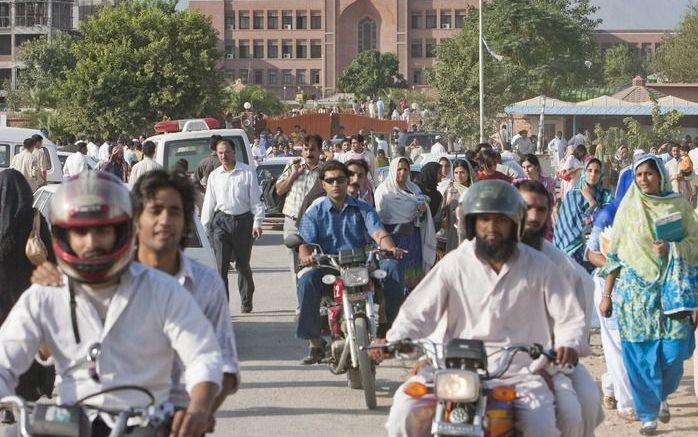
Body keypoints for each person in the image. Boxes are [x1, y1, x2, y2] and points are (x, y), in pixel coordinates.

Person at [0, 171, 223, 437]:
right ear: (63, 236)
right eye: (80, 231)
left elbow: (203, 355)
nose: (91, 242)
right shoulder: (45, 295)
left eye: (102, 230)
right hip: (71, 421)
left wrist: (198, 408)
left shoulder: (161, 290)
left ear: (122, 231)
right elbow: (5, 356)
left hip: (146, 420)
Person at [372, 180, 586, 437]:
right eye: (484, 220)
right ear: (472, 224)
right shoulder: (455, 264)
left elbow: (568, 315)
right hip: (452, 368)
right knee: (404, 410)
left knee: (541, 424)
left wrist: (568, 344)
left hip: (518, 372)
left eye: (501, 220)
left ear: (515, 224)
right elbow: (418, 313)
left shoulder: (540, 266)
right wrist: (395, 340)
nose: (492, 228)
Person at [599, 155, 698, 435]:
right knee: (640, 356)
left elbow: (696, 244)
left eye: (649, 174)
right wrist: (606, 294)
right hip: (635, 295)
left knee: (675, 353)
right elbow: (615, 255)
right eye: (639, 174)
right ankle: (648, 416)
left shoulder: (678, 206)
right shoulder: (629, 208)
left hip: (673, 293)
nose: (644, 179)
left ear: (661, 176)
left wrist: (672, 249)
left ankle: (661, 394)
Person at [517, 180, 604, 436]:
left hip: (546, 361)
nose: (533, 217)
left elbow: (578, 302)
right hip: (490, 359)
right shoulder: (487, 250)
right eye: (526, 208)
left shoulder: (559, 263)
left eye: (540, 210)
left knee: (581, 405)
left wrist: (568, 345)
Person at [295, 160, 404, 364]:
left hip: (362, 264)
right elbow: (305, 243)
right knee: (306, 280)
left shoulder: (363, 209)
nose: (336, 184)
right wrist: (306, 257)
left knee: (393, 267)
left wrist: (391, 248)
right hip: (330, 266)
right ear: (323, 184)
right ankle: (315, 342)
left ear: (347, 181)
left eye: (340, 179)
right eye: (331, 180)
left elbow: (379, 232)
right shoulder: (314, 212)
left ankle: (391, 329)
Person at [0, 170, 55, 411]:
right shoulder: (34, 218)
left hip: (2, 300)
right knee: (28, 344)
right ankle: (25, 399)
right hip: (28, 296)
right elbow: (51, 258)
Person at [201, 139, 265, 312]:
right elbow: (209, 203)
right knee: (220, 267)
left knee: (242, 265)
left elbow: (256, 201)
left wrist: (257, 222)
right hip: (221, 222)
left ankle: (246, 300)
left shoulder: (247, 172)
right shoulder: (215, 176)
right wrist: (204, 229)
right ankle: (223, 306)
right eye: (220, 153)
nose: (224, 156)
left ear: (233, 152)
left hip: (243, 223)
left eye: (227, 152)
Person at [375, 158, 436, 293]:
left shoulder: (414, 189)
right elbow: (380, 217)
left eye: (405, 169)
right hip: (393, 237)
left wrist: (423, 208)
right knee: (397, 274)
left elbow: (422, 204)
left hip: (413, 236)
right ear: (392, 170)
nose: (402, 172)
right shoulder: (383, 190)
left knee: (414, 273)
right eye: (399, 169)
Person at [275, 135, 323, 290]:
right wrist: (293, 175)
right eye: (306, 149)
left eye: (313, 149)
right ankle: (300, 305)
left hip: (314, 224)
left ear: (319, 151)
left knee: (315, 263)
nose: (309, 153)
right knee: (295, 265)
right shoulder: (293, 165)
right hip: (292, 222)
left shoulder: (324, 172)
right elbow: (279, 190)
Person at [554, 158, 613, 271]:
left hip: (596, 249)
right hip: (570, 249)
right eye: (589, 170)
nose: (593, 174)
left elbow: (607, 222)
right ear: (584, 172)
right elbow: (565, 228)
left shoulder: (605, 196)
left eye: (597, 171)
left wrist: (591, 201)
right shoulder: (573, 195)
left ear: (601, 174)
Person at [441, 159, 474, 253]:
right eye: (456, 172)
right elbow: (443, 213)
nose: (459, 176)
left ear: (468, 173)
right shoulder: (450, 190)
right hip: (453, 233)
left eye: (462, 172)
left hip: (471, 231)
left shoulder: (475, 190)